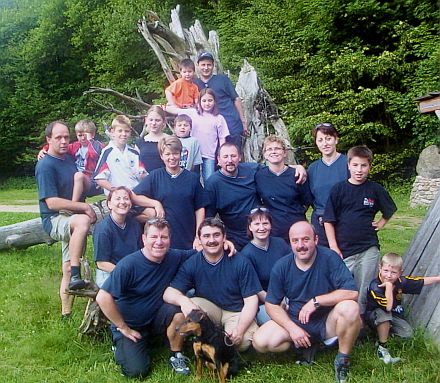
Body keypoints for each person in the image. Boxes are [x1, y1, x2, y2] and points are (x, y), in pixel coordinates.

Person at [252, 221, 361, 383]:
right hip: (297, 320)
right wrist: (292, 328)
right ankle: (304, 344)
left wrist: (317, 301)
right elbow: (271, 304)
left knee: (350, 308)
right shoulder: (282, 266)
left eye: (305, 239)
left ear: (316, 240)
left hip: (327, 321)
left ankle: (342, 360)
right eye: (295, 241)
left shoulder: (329, 258)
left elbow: (352, 292)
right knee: (260, 342)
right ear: (290, 243)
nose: (300, 245)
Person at [95, 218, 195, 378]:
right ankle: (120, 344)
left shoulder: (174, 256)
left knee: (179, 311)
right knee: (137, 371)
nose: (159, 242)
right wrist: (123, 327)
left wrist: (225, 244)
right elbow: (103, 297)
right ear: (144, 239)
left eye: (164, 237)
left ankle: (175, 354)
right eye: (154, 237)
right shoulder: (128, 265)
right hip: (131, 326)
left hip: (155, 321)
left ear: (170, 239)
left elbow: (200, 252)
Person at [163, 217, 262, 352]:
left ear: (224, 237)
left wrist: (239, 330)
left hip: (236, 312)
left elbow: (251, 301)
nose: (211, 240)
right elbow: (169, 293)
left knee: (240, 343)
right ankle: (185, 347)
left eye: (216, 235)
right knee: (185, 307)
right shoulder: (192, 263)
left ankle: (219, 335)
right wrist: (184, 301)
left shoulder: (240, 262)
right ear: (199, 239)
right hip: (210, 309)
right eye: (206, 236)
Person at [323, 145, 397, 315]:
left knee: (364, 286)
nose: (359, 170)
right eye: (355, 165)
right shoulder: (338, 189)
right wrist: (334, 246)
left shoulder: (375, 189)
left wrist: (381, 223)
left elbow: (389, 209)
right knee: (341, 285)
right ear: (348, 165)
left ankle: (361, 319)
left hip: (368, 247)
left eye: (364, 165)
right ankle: (337, 317)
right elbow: (328, 220)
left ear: (369, 166)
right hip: (343, 249)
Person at [35, 121, 97, 318]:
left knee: (66, 268)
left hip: (70, 216)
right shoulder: (45, 166)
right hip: (55, 219)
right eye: (58, 138)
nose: (63, 141)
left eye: (66, 137)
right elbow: (51, 203)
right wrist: (84, 207)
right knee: (82, 222)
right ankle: (77, 275)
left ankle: (65, 314)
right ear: (48, 140)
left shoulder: (69, 157)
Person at [204, 142, 307, 250]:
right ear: (218, 160)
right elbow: (209, 217)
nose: (230, 160)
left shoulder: (252, 170)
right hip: (235, 236)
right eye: (225, 157)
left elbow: (275, 167)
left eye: (233, 156)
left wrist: (297, 167)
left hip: (261, 231)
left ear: (239, 157)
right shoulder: (213, 183)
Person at [366, 252, 440, 364]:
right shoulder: (375, 286)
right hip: (374, 317)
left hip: (392, 316)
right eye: (386, 271)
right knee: (384, 315)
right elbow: (388, 307)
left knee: (407, 334)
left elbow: (420, 281)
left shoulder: (400, 281)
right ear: (380, 268)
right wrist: (389, 288)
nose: (389, 275)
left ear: (400, 273)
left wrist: (438, 278)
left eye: (393, 272)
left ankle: (382, 335)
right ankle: (382, 348)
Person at [133, 136, 205, 250]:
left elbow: (200, 208)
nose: (172, 157)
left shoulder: (192, 179)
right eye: (167, 154)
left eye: (175, 153)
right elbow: (134, 196)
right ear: (161, 156)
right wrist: (155, 203)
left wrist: (198, 236)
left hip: (188, 239)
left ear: (180, 154)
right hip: (162, 242)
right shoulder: (155, 176)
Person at [255, 135, 313, 242]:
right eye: (269, 149)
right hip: (274, 232)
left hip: (297, 228)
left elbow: (307, 201)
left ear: (285, 152)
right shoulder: (259, 176)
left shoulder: (297, 174)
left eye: (277, 148)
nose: (274, 152)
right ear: (265, 155)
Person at [165, 88, 230, 182]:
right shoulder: (192, 112)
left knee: (209, 180)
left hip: (209, 155)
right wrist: (162, 107)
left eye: (210, 100)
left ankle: (208, 196)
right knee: (192, 179)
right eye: (204, 100)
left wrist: (222, 155)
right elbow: (176, 111)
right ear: (199, 101)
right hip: (192, 153)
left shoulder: (219, 118)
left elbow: (222, 138)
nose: (207, 103)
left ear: (214, 101)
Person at [240, 208, 291, 325]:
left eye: (265, 223)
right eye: (257, 224)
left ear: (270, 225)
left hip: (289, 296)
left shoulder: (281, 244)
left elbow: (293, 271)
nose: (261, 228)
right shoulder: (246, 254)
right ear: (250, 227)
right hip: (266, 303)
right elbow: (256, 289)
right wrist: (276, 302)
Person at [38, 119, 106, 201]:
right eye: (80, 135)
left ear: (93, 134)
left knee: (78, 176)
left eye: (85, 135)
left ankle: (74, 203)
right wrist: (44, 149)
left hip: (93, 180)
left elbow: (100, 153)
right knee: (77, 176)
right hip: (80, 180)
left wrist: (90, 141)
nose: (83, 138)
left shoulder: (97, 146)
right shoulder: (75, 146)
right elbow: (58, 146)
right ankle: (75, 204)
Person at [194, 51, 247, 151]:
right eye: (203, 65)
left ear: (213, 66)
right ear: (197, 66)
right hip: (210, 129)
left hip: (231, 124)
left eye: (209, 65)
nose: (206, 68)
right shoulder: (194, 83)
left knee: (232, 156)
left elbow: (236, 99)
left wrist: (243, 122)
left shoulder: (223, 79)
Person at [307, 123, 349, 246]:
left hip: (344, 222)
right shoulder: (313, 168)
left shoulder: (349, 163)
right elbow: (308, 197)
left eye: (328, 139)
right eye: (320, 140)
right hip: (320, 224)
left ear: (336, 139)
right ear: (316, 143)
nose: (325, 143)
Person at [93, 186, 143, 287]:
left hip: (133, 271)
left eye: (126, 198)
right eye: (118, 198)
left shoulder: (134, 224)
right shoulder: (103, 229)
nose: (122, 202)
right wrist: (126, 274)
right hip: (109, 273)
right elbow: (101, 263)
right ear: (109, 204)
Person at [94, 115, 147, 194]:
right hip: (117, 196)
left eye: (126, 131)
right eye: (120, 131)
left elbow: (142, 174)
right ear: (112, 132)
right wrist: (115, 191)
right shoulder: (107, 152)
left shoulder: (134, 152)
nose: (124, 134)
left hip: (135, 193)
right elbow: (99, 179)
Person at [135, 105, 168, 172]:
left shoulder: (170, 140)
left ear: (164, 122)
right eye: (151, 120)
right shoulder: (139, 143)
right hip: (145, 180)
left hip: (165, 180)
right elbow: (136, 165)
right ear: (146, 120)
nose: (153, 123)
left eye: (157, 120)